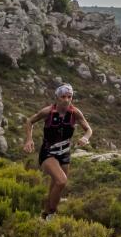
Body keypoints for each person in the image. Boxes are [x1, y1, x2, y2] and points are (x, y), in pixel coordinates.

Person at [23, 83, 92, 220]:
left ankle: (45, 212)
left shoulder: (75, 112)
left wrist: (85, 138)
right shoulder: (48, 111)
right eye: (63, 97)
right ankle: (52, 213)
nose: (66, 100)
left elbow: (89, 129)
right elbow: (30, 121)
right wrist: (29, 140)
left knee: (56, 184)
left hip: (65, 153)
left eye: (69, 96)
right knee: (61, 181)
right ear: (57, 98)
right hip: (48, 152)